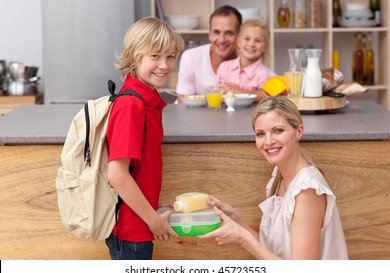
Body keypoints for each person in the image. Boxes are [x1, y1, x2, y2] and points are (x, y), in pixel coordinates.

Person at [199, 96, 349, 260]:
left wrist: (243, 239)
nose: (268, 141)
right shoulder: (279, 177)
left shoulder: (308, 192)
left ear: (298, 132)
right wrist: (235, 219)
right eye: (260, 134)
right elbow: (273, 250)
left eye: (278, 130)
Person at [105, 17, 184, 260]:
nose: (164, 65)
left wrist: (152, 201)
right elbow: (117, 174)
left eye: (170, 57)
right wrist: (153, 220)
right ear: (134, 56)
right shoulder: (132, 105)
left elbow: (136, 170)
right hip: (132, 232)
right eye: (155, 56)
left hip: (139, 225)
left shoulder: (145, 100)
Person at [176, 5, 242, 95]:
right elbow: (182, 101)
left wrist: (240, 92)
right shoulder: (191, 57)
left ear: (239, 35)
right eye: (216, 32)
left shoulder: (247, 60)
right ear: (210, 34)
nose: (222, 40)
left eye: (229, 33)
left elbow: (266, 94)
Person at [216, 19, 275, 102]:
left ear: (265, 47)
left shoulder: (266, 75)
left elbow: (266, 96)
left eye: (258, 41)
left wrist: (236, 91)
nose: (251, 44)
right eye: (247, 39)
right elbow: (216, 94)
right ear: (238, 42)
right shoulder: (224, 67)